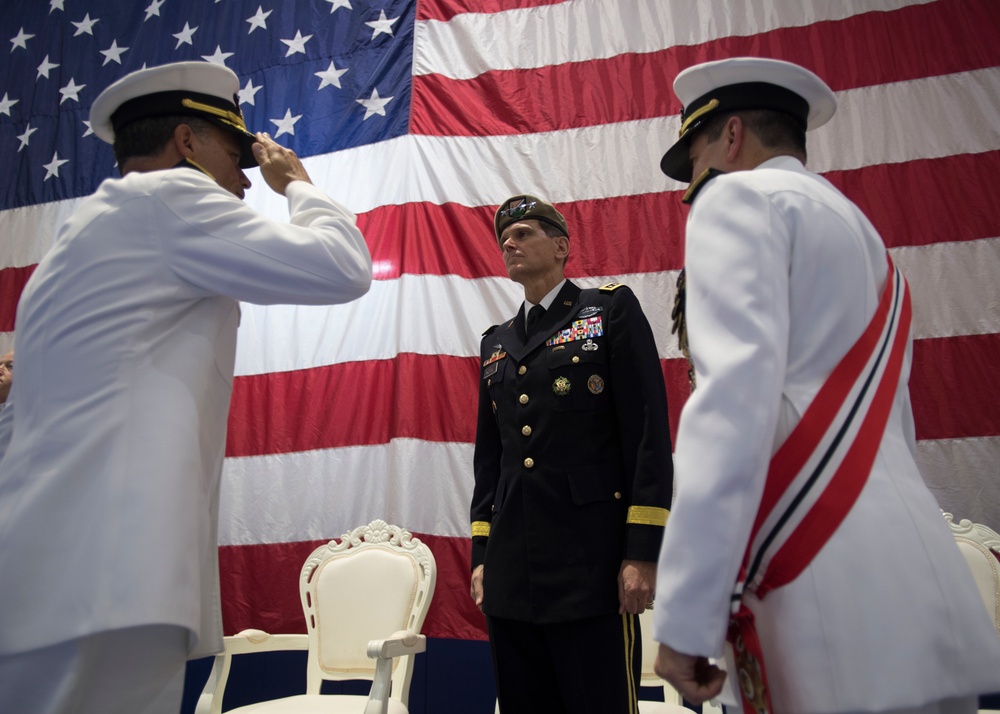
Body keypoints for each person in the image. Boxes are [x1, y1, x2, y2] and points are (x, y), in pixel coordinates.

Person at [0, 61, 372, 713]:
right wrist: (301, 186)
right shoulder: (167, 199)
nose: (245, 181)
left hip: (49, 566)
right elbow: (342, 268)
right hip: (110, 570)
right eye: (237, 156)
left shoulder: (79, 237)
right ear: (187, 142)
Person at [652, 57, 1000, 713]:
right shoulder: (863, 235)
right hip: (917, 588)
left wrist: (688, 615)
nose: (694, 181)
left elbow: (730, 409)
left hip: (811, 594)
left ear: (729, 137)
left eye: (695, 156)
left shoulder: (735, 200)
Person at [469, 194, 674, 713]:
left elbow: (647, 434)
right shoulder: (496, 342)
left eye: (525, 233)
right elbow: (489, 461)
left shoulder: (608, 311)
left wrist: (642, 552)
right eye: (504, 238)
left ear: (561, 246)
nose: (510, 242)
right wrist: (481, 555)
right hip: (512, 569)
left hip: (592, 562)